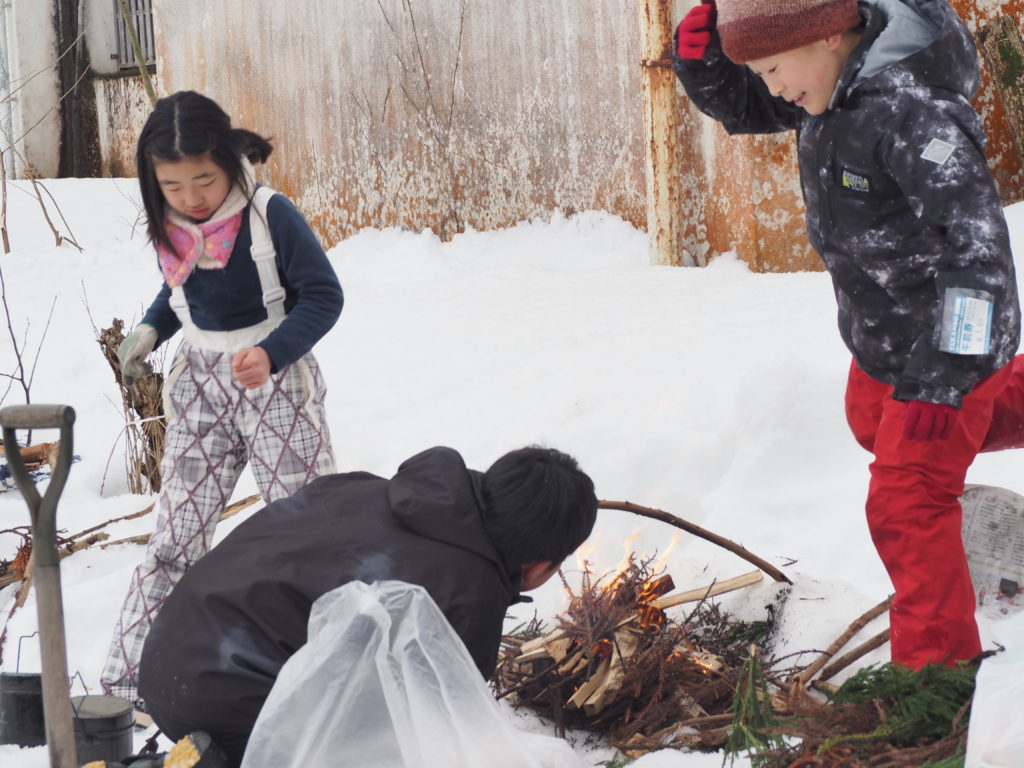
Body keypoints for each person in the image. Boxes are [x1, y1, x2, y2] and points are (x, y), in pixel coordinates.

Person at [673, 0, 1024, 668]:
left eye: (774, 68)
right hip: (884, 344)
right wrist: (704, 64)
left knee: (906, 500)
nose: (773, 87)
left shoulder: (915, 115)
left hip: (948, 348)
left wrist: (946, 379)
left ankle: (938, 679)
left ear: (829, 33)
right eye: (762, 71)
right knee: (871, 421)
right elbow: (748, 106)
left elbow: (979, 253)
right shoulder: (831, 87)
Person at [132, 445, 597, 767]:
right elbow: (438, 732)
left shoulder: (368, 489)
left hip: (163, 657)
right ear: (541, 566)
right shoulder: (469, 596)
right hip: (229, 704)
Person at [101, 91, 343, 706]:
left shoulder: (269, 214)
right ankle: (127, 683)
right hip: (200, 388)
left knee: (308, 533)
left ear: (229, 159)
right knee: (175, 539)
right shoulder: (173, 224)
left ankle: (333, 678)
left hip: (275, 384)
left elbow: (324, 295)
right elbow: (179, 288)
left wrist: (273, 352)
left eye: (204, 180)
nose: (191, 197)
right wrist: (151, 329)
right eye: (172, 185)